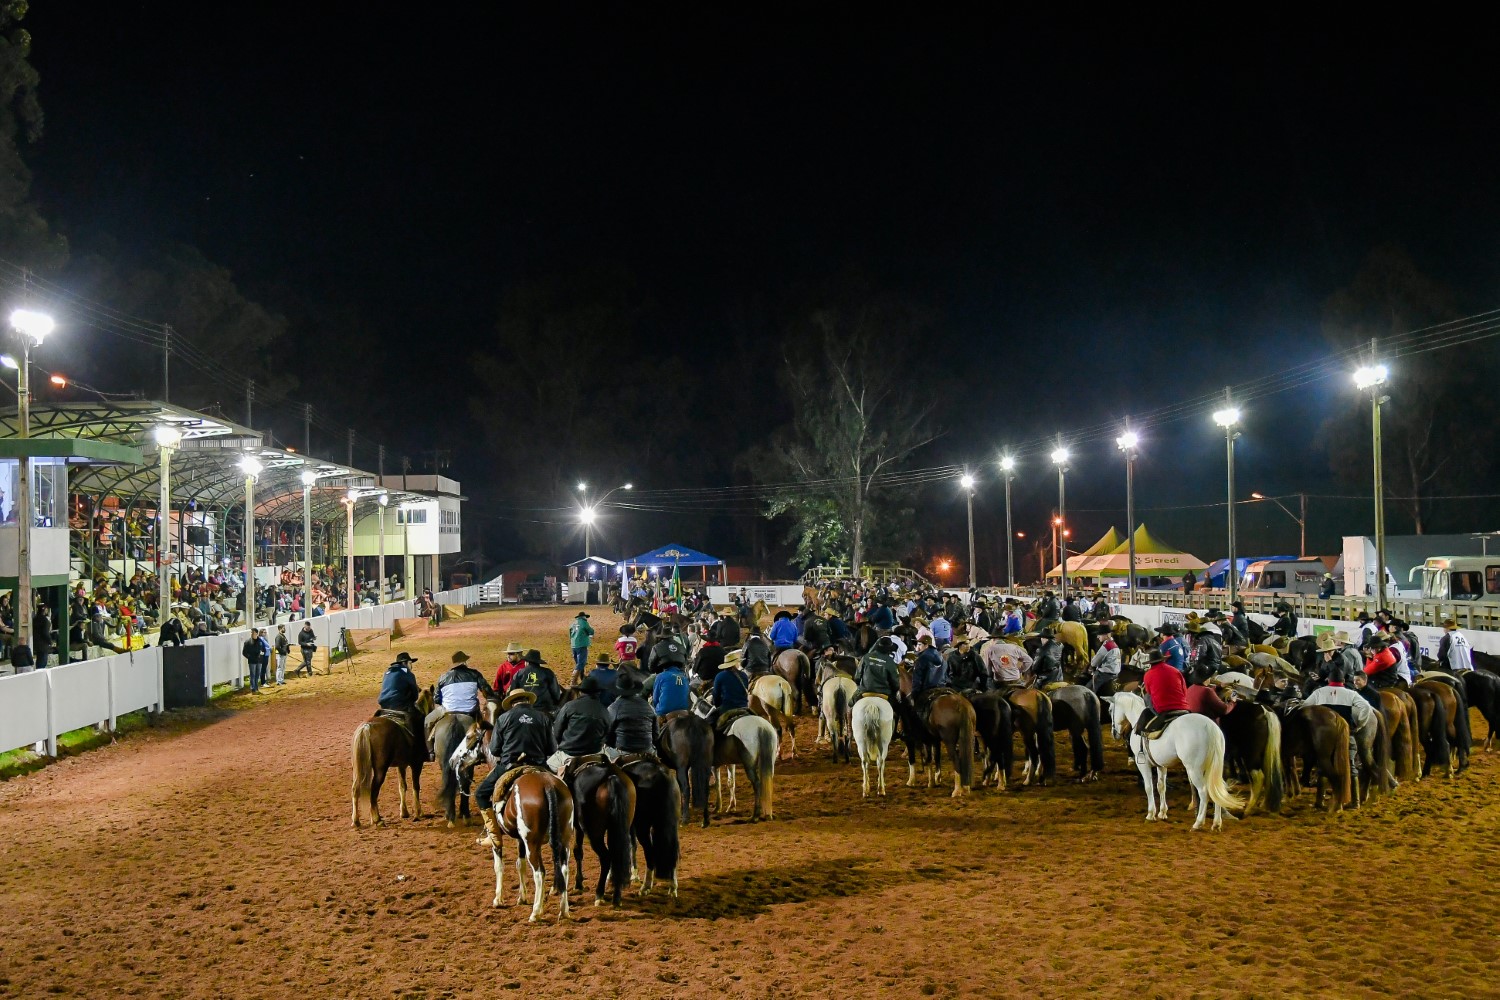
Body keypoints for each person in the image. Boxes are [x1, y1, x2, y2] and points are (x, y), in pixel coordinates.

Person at [474, 689, 554, 849]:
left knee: (481, 794)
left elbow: (494, 749)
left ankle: (494, 836)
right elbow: (552, 749)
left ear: (512, 703)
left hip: (510, 765)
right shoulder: (543, 718)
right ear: (528, 701)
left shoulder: (504, 718)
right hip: (538, 765)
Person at [425, 650, 494, 756]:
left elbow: (436, 699)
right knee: (485, 724)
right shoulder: (474, 674)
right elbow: (487, 692)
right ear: (464, 662)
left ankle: (430, 751)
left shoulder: (443, 677)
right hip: (470, 710)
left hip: (447, 710)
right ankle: (486, 748)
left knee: (427, 721)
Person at [551, 674, 609, 769]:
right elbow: (607, 733)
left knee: (548, 767)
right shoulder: (604, 710)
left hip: (569, 753)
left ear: (581, 692)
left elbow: (557, 731)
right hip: (595, 753)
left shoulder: (569, 706)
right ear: (598, 693)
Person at [1138, 648, 1189, 735]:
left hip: (1163, 709)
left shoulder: (1148, 675)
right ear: (1163, 660)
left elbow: (1149, 693)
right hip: (1183, 706)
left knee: (1146, 696)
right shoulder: (1175, 671)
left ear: (1150, 663)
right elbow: (1184, 690)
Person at [607, 673, 660, 754]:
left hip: (623, 751)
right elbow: (656, 734)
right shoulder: (648, 706)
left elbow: (607, 734)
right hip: (647, 751)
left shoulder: (614, 707)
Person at [855, 636, 902, 702]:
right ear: (890, 649)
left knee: (850, 704)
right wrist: (895, 690)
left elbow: (857, 677)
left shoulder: (866, 657)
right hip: (884, 693)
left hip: (865, 691)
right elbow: (895, 683)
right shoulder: (890, 662)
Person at [709, 653, 751, 728]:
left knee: (711, 724)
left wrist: (717, 705)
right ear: (735, 664)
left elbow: (716, 696)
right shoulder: (744, 675)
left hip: (727, 708)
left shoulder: (720, 676)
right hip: (744, 707)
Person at [910, 636, 948, 704]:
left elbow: (917, 678)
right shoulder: (941, 656)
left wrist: (914, 694)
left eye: (919, 645)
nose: (917, 648)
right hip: (942, 688)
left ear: (926, 645)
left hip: (927, 690)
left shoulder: (922, 658)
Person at [1087, 630, 1121, 697]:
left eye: (1100, 635)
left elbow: (1095, 661)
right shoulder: (1114, 645)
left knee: (1087, 691)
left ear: (1106, 635)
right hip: (1115, 674)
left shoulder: (1107, 646)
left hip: (1104, 675)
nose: (1097, 637)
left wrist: (1091, 666)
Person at [568, 611, 595, 682]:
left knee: (578, 663)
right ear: (584, 617)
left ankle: (582, 677)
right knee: (581, 663)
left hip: (574, 645)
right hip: (581, 644)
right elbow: (591, 631)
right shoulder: (584, 622)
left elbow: (570, 634)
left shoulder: (573, 623)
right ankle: (573, 679)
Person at [32, 603, 55, 670]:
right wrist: (50, 641)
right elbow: (45, 633)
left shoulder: (34, 619)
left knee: (39, 661)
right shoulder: (45, 620)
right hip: (43, 645)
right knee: (42, 662)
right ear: (45, 610)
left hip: (36, 643)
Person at [242, 627, 265, 692]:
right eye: (251, 633)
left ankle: (256, 687)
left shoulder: (260, 641)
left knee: (257, 674)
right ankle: (253, 688)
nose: (252, 634)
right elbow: (244, 652)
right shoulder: (247, 642)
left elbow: (263, 650)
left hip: (259, 661)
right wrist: (250, 657)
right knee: (252, 674)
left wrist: (261, 656)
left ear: (257, 634)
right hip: (252, 661)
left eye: (253, 633)